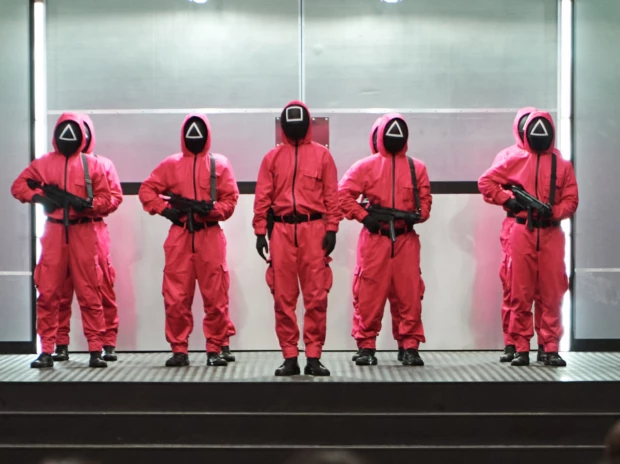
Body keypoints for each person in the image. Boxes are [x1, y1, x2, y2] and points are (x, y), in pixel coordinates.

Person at [11, 113, 113, 368]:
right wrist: (39, 198)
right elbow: (19, 186)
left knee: (90, 292)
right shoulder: (43, 163)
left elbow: (109, 198)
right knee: (48, 293)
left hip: (84, 231)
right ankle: (47, 350)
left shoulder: (93, 165)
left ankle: (95, 349)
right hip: (54, 232)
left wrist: (88, 205)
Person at [139, 113, 239, 367]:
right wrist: (166, 210)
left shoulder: (220, 165)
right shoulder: (171, 164)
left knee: (216, 296)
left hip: (210, 234)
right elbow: (146, 190)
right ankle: (179, 350)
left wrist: (211, 211)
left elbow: (230, 200)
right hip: (180, 234)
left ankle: (215, 348)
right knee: (175, 297)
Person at [478, 111, 578, 366]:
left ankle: (550, 348)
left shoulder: (562, 165)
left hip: (551, 232)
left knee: (552, 293)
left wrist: (554, 211)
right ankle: (520, 347)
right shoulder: (513, 159)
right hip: (522, 230)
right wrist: (509, 201)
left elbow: (571, 200)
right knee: (519, 292)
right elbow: (486, 182)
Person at [253, 100, 340, 377]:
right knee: (283, 297)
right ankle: (290, 356)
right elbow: (262, 196)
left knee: (316, 296)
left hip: (313, 230)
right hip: (280, 231)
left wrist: (332, 228)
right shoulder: (272, 158)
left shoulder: (323, 156)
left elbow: (332, 195)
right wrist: (259, 231)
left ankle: (313, 356)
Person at [339, 113, 432, 367]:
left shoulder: (417, 168)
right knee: (368, 293)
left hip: (405, 239)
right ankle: (366, 346)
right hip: (375, 239)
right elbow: (342, 195)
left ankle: (409, 346)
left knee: (409, 294)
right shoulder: (365, 167)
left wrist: (417, 216)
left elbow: (425, 204)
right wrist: (364, 217)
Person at [52, 114, 123, 363]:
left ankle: (107, 342)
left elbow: (115, 197)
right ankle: (60, 343)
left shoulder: (102, 164)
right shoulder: (54, 164)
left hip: (93, 230)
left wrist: (90, 206)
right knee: (60, 289)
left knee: (102, 287)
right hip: (61, 230)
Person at [482, 107, 545, 363]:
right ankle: (512, 342)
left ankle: (546, 344)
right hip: (515, 226)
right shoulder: (507, 156)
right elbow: (489, 187)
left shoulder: (552, 157)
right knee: (513, 287)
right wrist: (509, 199)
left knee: (545, 289)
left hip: (545, 228)